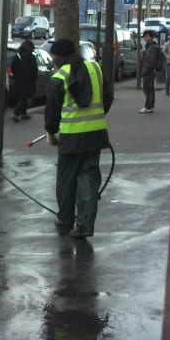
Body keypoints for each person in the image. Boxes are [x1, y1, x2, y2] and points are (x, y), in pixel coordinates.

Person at [44, 38, 113, 239]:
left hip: (71, 137)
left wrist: (51, 132)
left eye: (53, 55)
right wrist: (97, 115)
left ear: (59, 56)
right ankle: (85, 225)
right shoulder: (96, 68)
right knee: (89, 180)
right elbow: (108, 96)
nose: (53, 59)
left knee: (66, 181)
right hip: (96, 134)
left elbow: (52, 112)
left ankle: (65, 221)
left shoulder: (59, 76)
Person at [10, 39, 38, 122]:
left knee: (21, 97)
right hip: (28, 81)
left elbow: (13, 67)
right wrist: (34, 77)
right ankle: (16, 113)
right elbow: (34, 70)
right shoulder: (30, 57)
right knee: (24, 98)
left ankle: (23, 114)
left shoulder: (17, 56)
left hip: (18, 80)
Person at [138, 29, 164, 113]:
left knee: (147, 90)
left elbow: (151, 61)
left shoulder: (152, 48)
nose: (146, 38)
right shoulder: (151, 47)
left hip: (149, 72)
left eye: (147, 36)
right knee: (150, 90)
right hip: (150, 71)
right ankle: (150, 106)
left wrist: (145, 71)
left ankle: (148, 107)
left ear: (152, 37)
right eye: (145, 36)